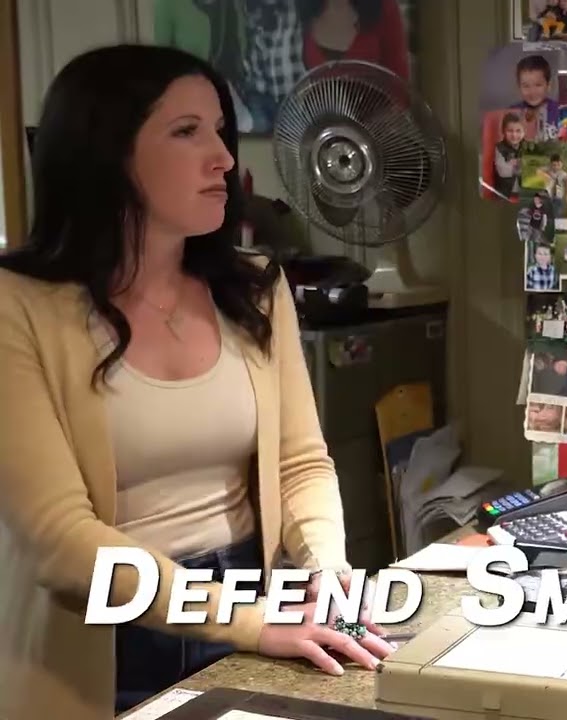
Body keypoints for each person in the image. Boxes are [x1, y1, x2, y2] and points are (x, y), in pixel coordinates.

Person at [0, 45, 396, 720]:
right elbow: (59, 539)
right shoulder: (18, 307)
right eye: (186, 132)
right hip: (102, 641)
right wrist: (247, 620)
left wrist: (327, 573)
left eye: (219, 129)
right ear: (105, 152)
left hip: (251, 606)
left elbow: (301, 462)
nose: (223, 158)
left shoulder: (255, 287)